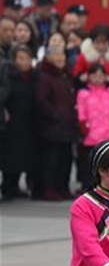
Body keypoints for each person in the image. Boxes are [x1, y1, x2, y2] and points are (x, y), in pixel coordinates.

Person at [35, 45, 77, 200]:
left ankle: (62, 187)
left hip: (67, 126)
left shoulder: (66, 75)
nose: (60, 58)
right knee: (51, 160)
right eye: (56, 55)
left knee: (65, 159)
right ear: (48, 57)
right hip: (52, 126)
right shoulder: (45, 76)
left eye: (62, 55)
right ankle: (49, 188)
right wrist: (55, 114)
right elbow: (41, 100)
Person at [76, 62, 109, 190]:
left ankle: (106, 187)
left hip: (107, 133)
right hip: (90, 135)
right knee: (89, 163)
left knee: (106, 163)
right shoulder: (83, 93)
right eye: (94, 75)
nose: (98, 78)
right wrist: (83, 125)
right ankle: (88, 187)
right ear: (88, 76)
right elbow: (81, 112)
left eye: (101, 75)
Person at [2, 45, 36, 200]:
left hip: (28, 121)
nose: (24, 62)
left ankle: (15, 186)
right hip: (12, 121)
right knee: (10, 157)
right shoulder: (9, 75)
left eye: (27, 59)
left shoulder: (34, 76)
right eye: (20, 59)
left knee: (23, 156)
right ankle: (7, 186)